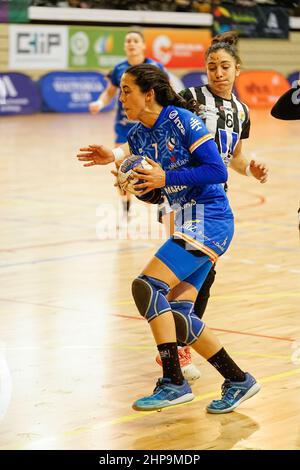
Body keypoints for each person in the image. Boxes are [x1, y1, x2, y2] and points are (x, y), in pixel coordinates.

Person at [77, 64, 261, 413]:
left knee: (146, 286)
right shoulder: (138, 134)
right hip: (189, 221)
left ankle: (174, 382)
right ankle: (238, 379)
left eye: (127, 89)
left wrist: (165, 177)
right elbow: (132, 156)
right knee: (178, 316)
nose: (121, 97)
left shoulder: (180, 119)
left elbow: (217, 170)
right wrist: (115, 163)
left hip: (211, 218)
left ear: (149, 93)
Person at [155, 31, 268, 380]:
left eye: (224, 67)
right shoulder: (190, 98)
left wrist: (249, 167)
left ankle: (177, 348)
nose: (218, 73)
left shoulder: (242, 111)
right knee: (181, 272)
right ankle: (173, 354)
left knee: (204, 275)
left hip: (214, 200)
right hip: (181, 196)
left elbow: (233, 157)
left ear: (237, 69)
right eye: (212, 67)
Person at [89, 30, 164, 218]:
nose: (131, 43)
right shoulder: (119, 68)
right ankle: (126, 206)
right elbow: (109, 92)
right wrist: (99, 102)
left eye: (135, 40)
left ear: (143, 45)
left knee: (155, 165)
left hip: (150, 127)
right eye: (128, 40)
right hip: (124, 127)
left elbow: (165, 95)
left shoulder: (155, 67)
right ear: (125, 46)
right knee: (121, 168)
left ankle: (163, 201)